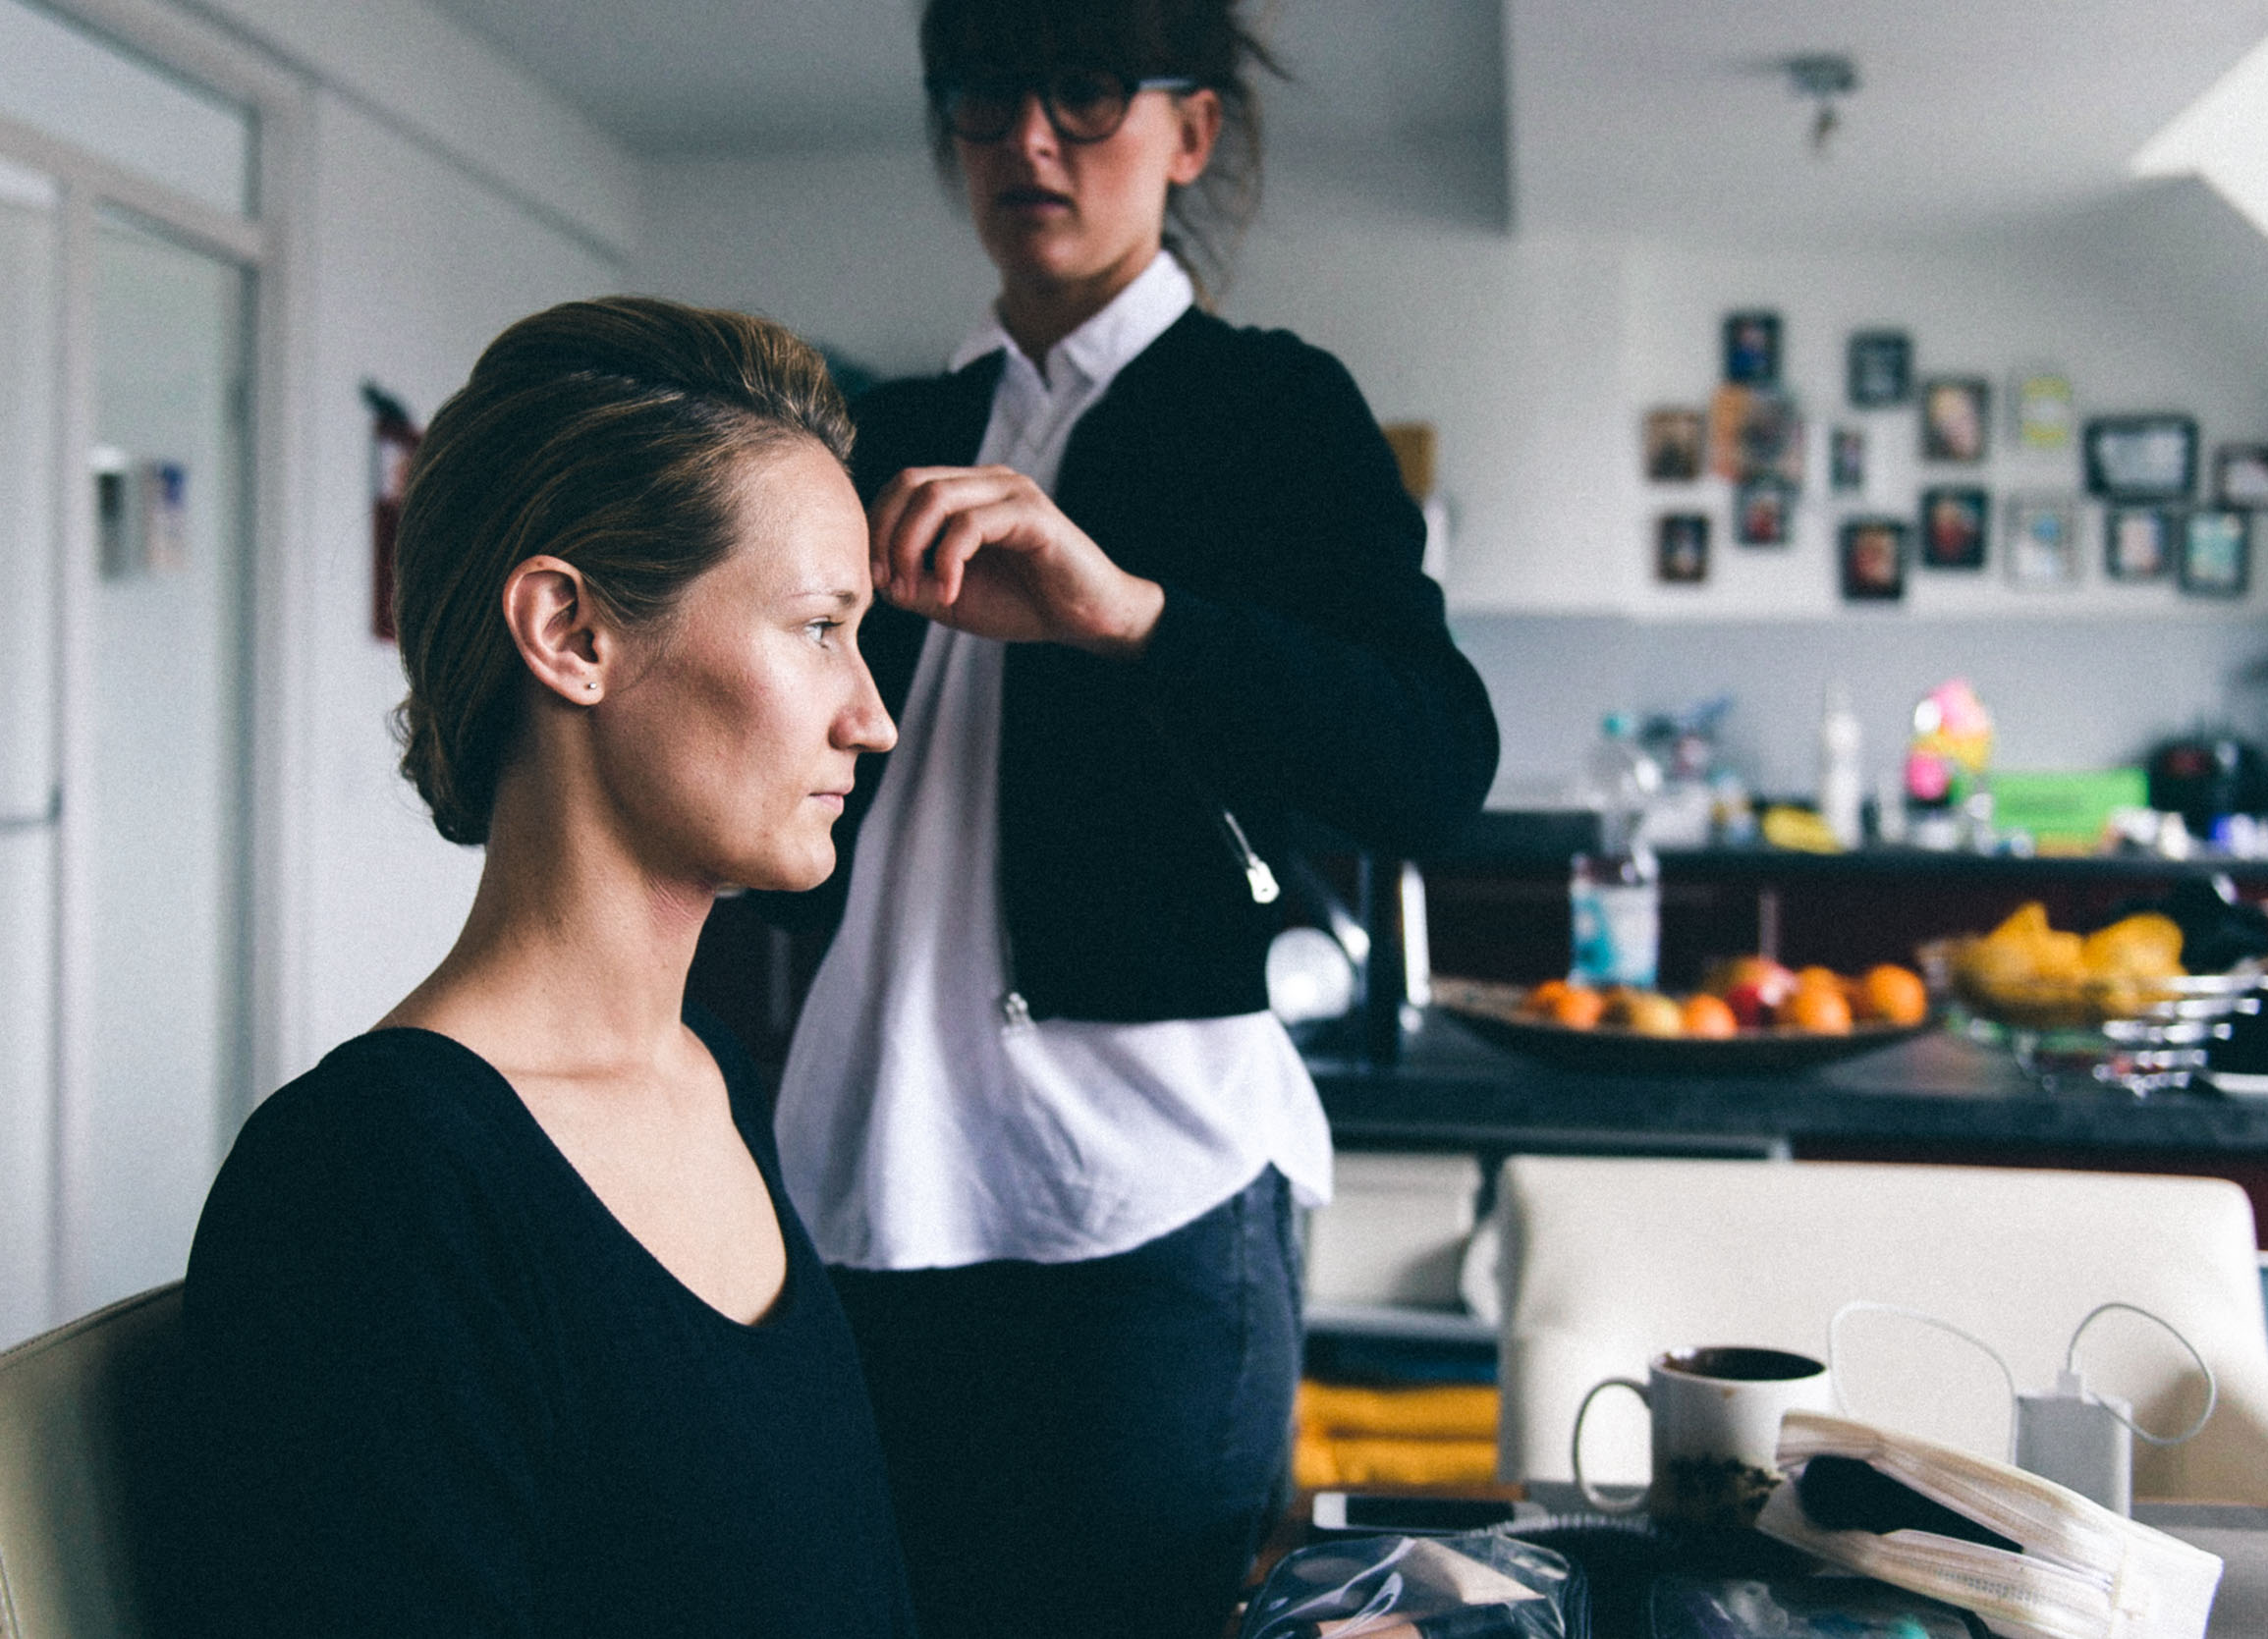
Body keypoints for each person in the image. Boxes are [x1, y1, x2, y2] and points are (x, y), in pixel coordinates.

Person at [759, 3, 1502, 1637]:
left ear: (1194, 131)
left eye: (1085, 89)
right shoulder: (880, 430)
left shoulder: (1272, 410)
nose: (1028, 137)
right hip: (852, 1174)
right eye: (983, 94)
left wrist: (1133, 614)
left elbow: (1437, 760)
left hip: (1139, 1200)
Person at [177, 298, 910, 1639]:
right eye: (817, 627)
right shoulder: (368, 1187)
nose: (872, 713)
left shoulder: (713, 1086)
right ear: (571, 631)